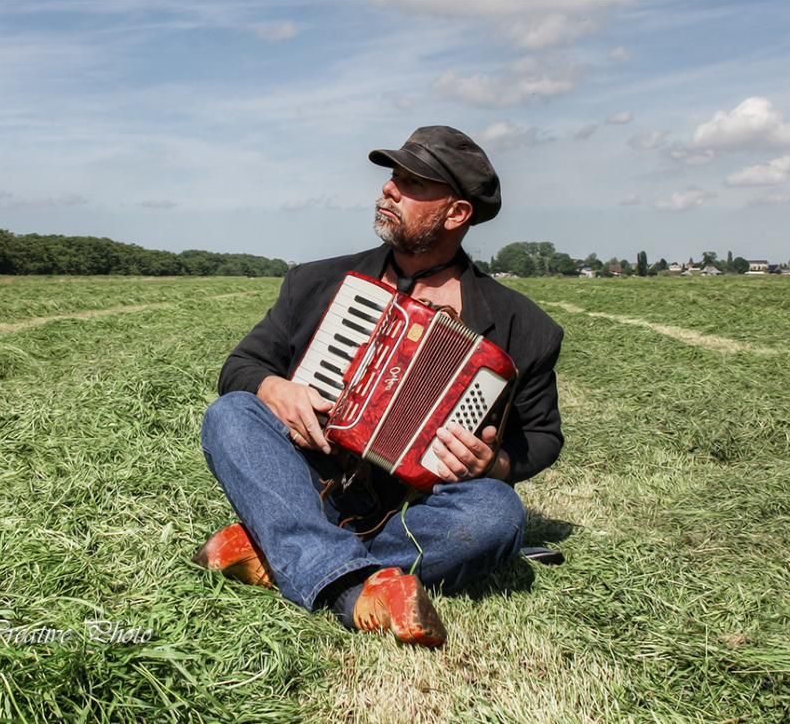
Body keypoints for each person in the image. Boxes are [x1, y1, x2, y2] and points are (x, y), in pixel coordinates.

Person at [193, 126, 563, 648]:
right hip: (307, 482)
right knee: (230, 414)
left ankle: (279, 549)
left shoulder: (525, 326)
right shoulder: (316, 282)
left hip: (415, 513)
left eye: (412, 184)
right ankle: (351, 591)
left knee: (496, 516)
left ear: (456, 214)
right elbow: (244, 364)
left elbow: (543, 436)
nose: (389, 189)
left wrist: (494, 464)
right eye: (393, 177)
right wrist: (274, 387)